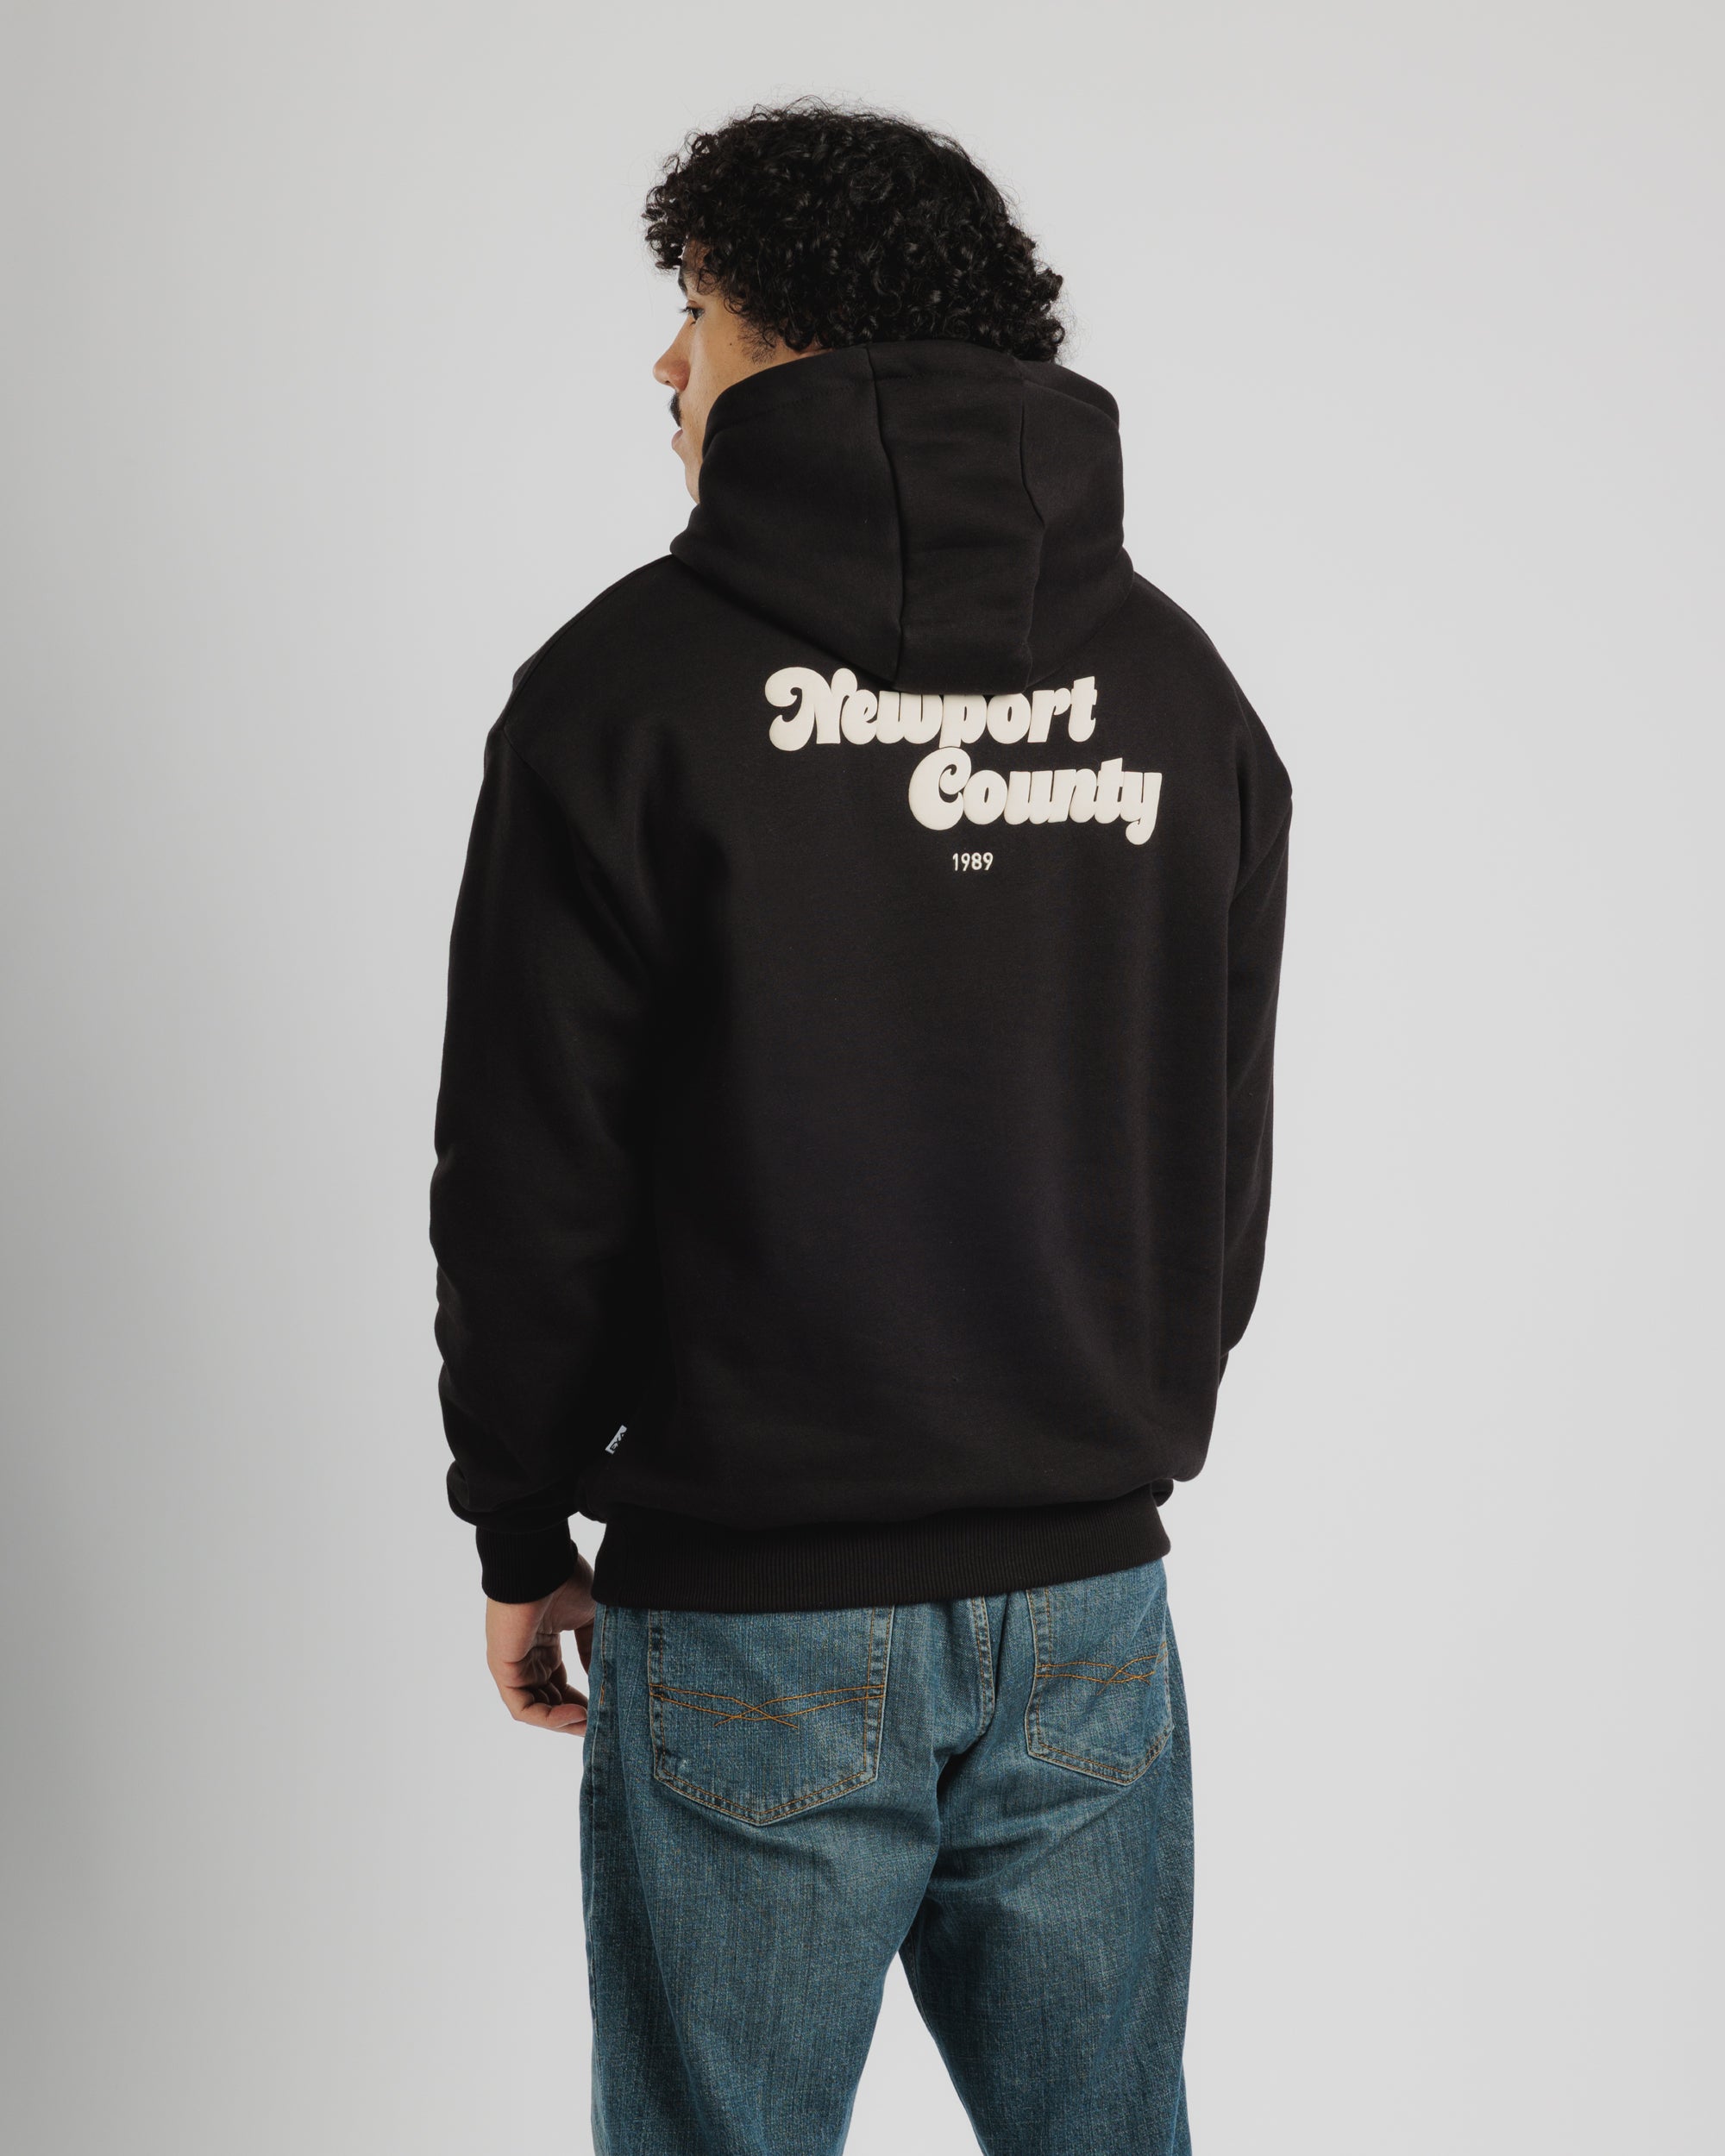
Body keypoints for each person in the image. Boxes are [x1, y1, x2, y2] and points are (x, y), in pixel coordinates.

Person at [430, 99, 1290, 2156]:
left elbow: (531, 1172)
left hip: (753, 1610)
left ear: (796, 332)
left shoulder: (622, 693)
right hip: (1087, 1602)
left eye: (696, 304)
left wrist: (521, 1524)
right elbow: (1218, 1150)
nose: (666, 359)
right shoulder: (1176, 690)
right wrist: (1099, 1428)